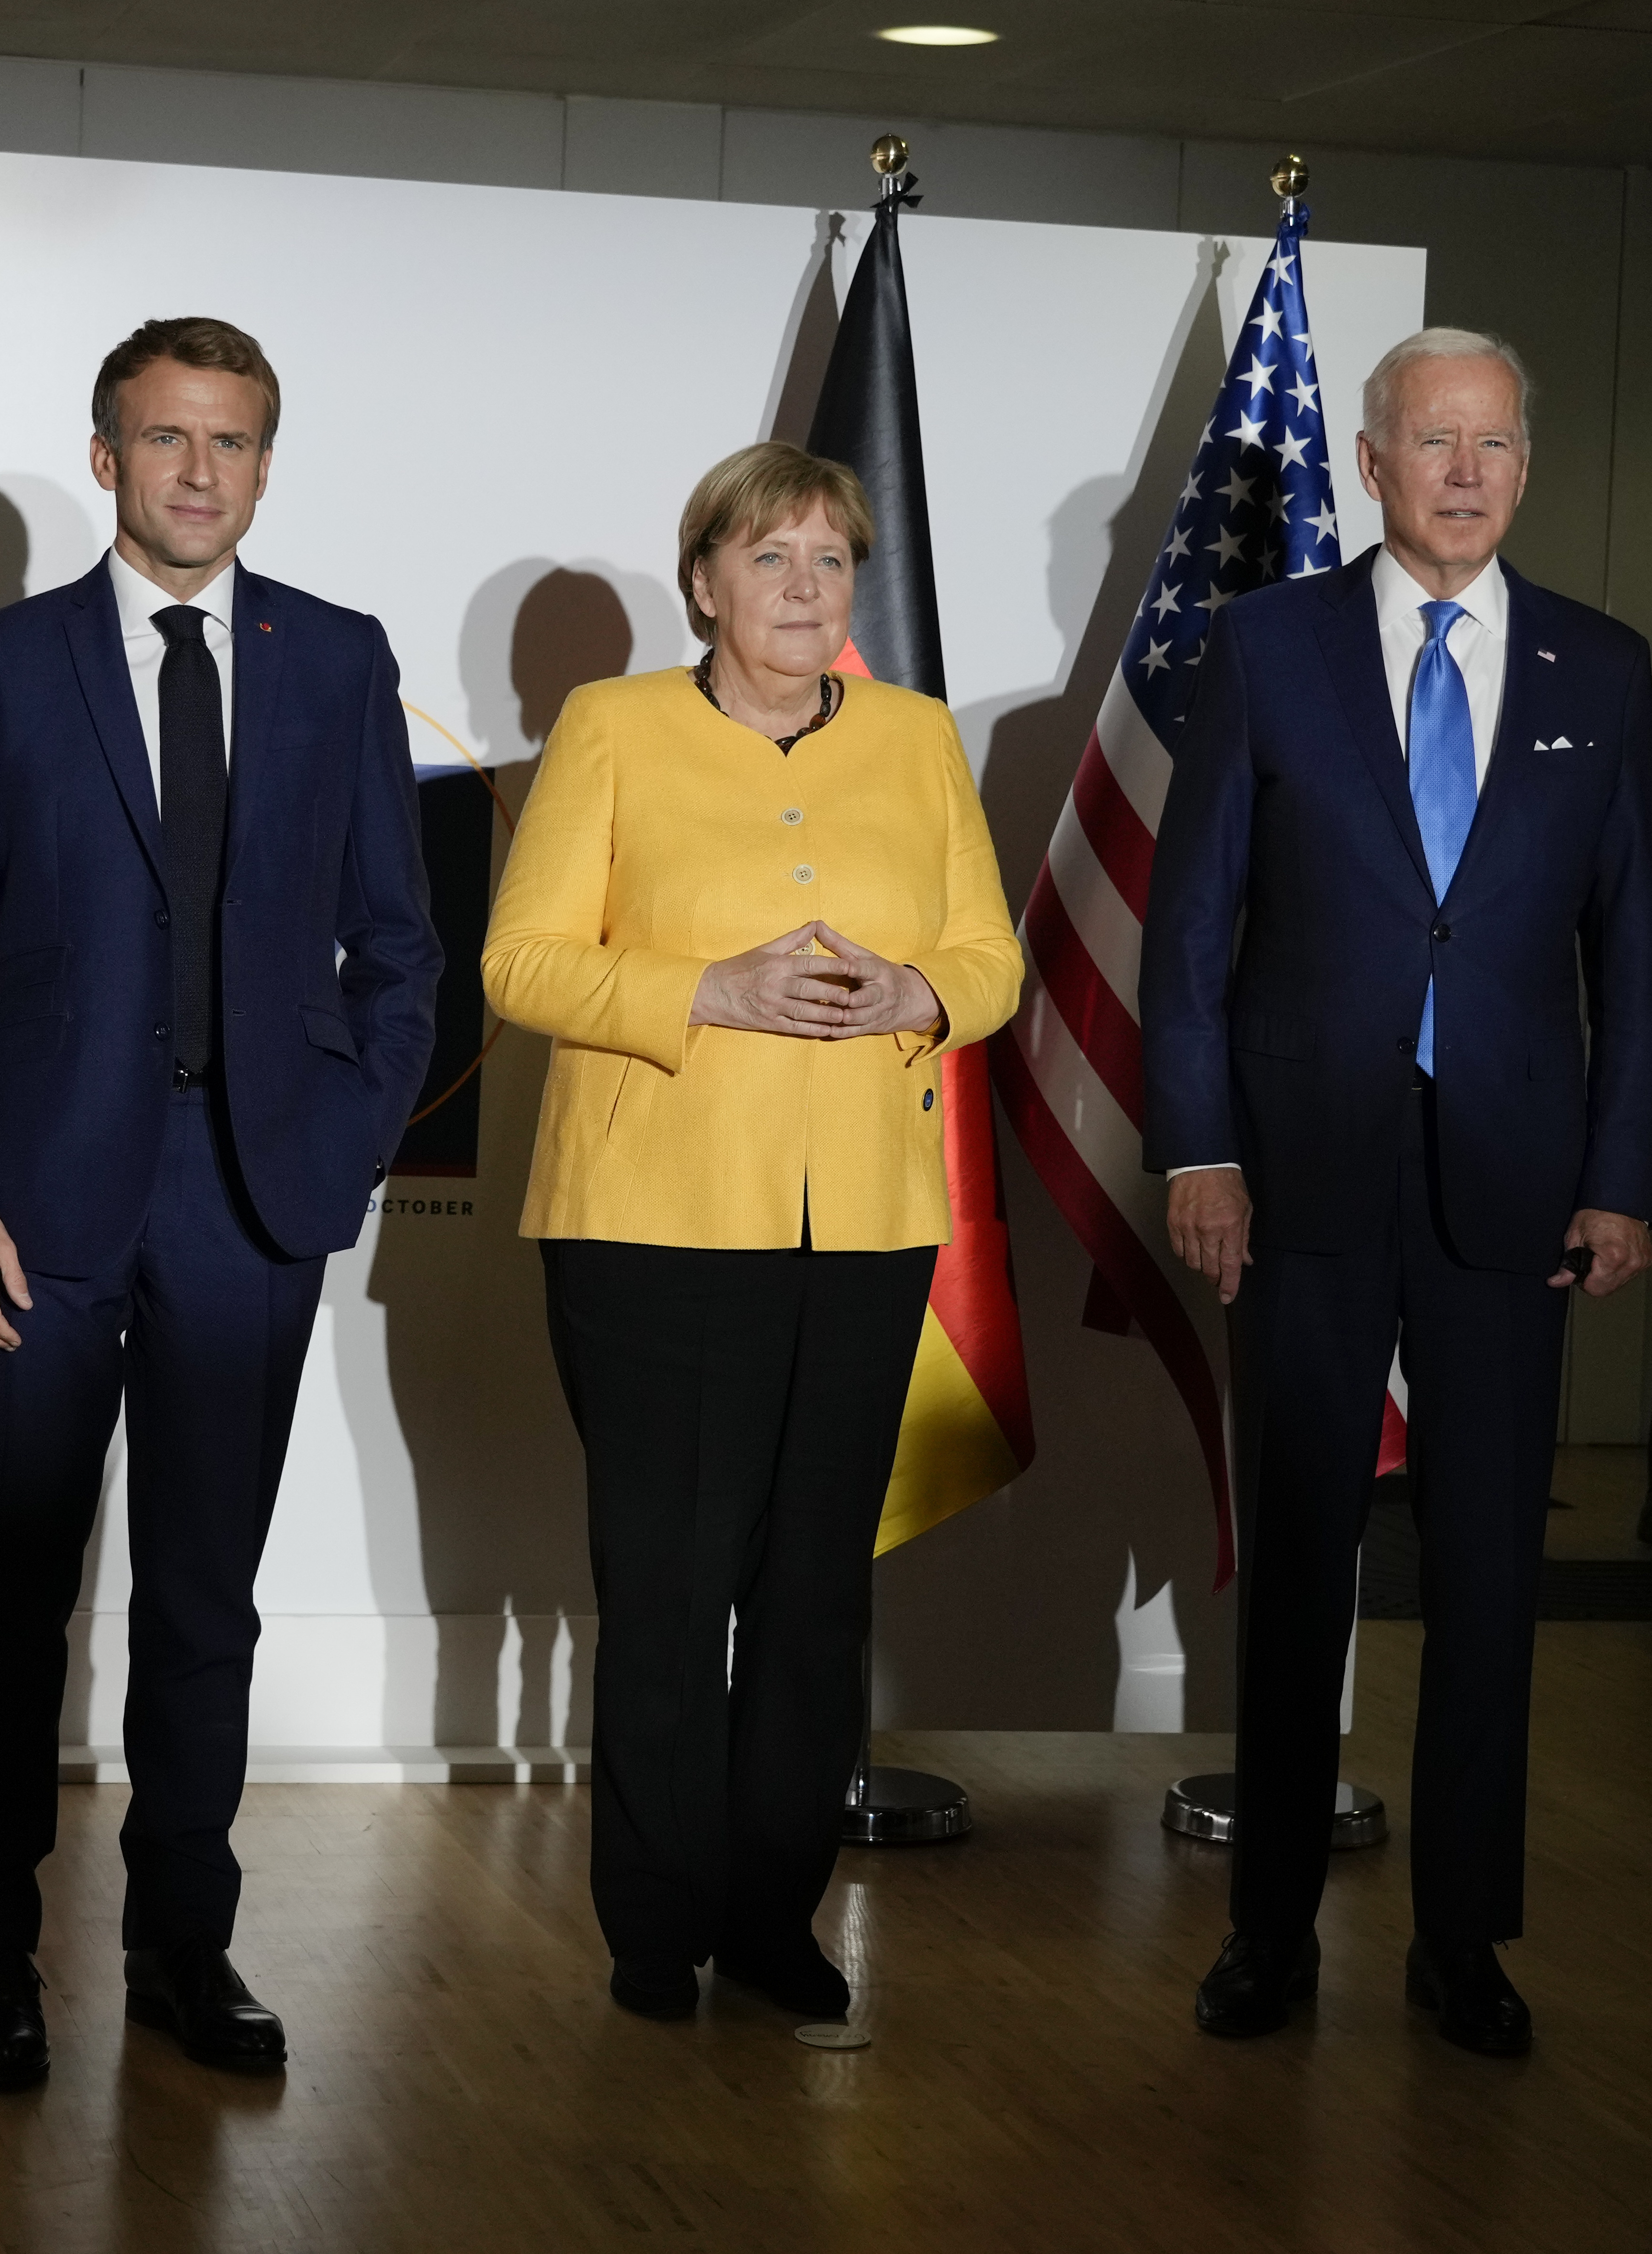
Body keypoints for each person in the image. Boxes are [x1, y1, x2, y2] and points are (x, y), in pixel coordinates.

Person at [0, 316, 439, 2088]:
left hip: (250, 1205)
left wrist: (345, 1146)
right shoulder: (0, 662)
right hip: (33, 1211)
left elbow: (402, 951)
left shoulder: (339, 659)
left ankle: (182, 1950)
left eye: (229, 442)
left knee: (208, 1604)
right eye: (163, 438)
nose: (196, 471)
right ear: (109, 452)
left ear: (264, 465)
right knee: (8, 1600)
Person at [1143, 327, 1652, 2055]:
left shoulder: (1602, 668)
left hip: (1517, 1181)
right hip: (1297, 1175)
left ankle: (1461, 1937)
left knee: (1493, 1572)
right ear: (1366, 462)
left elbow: (1636, 958)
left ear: (1523, 464)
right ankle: (1268, 1925)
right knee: (1298, 1559)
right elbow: (1190, 927)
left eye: (1492, 444)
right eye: (1431, 441)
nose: (1463, 473)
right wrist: (1196, 1144)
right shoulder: (1265, 649)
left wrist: (1620, 1175)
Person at [479, 442, 1021, 2027]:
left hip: (860, 1224)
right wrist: (699, 989)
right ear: (702, 580)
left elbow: (987, 954)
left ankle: (772, 1912)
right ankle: (652, 1921)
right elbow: (519, 962)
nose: (802, 589)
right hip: (648, 1225)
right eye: (768, 558)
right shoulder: (613, 728)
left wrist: (923, 991)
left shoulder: (919, 741)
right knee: (667, 1579)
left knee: (811, 1591)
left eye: (829, 561)